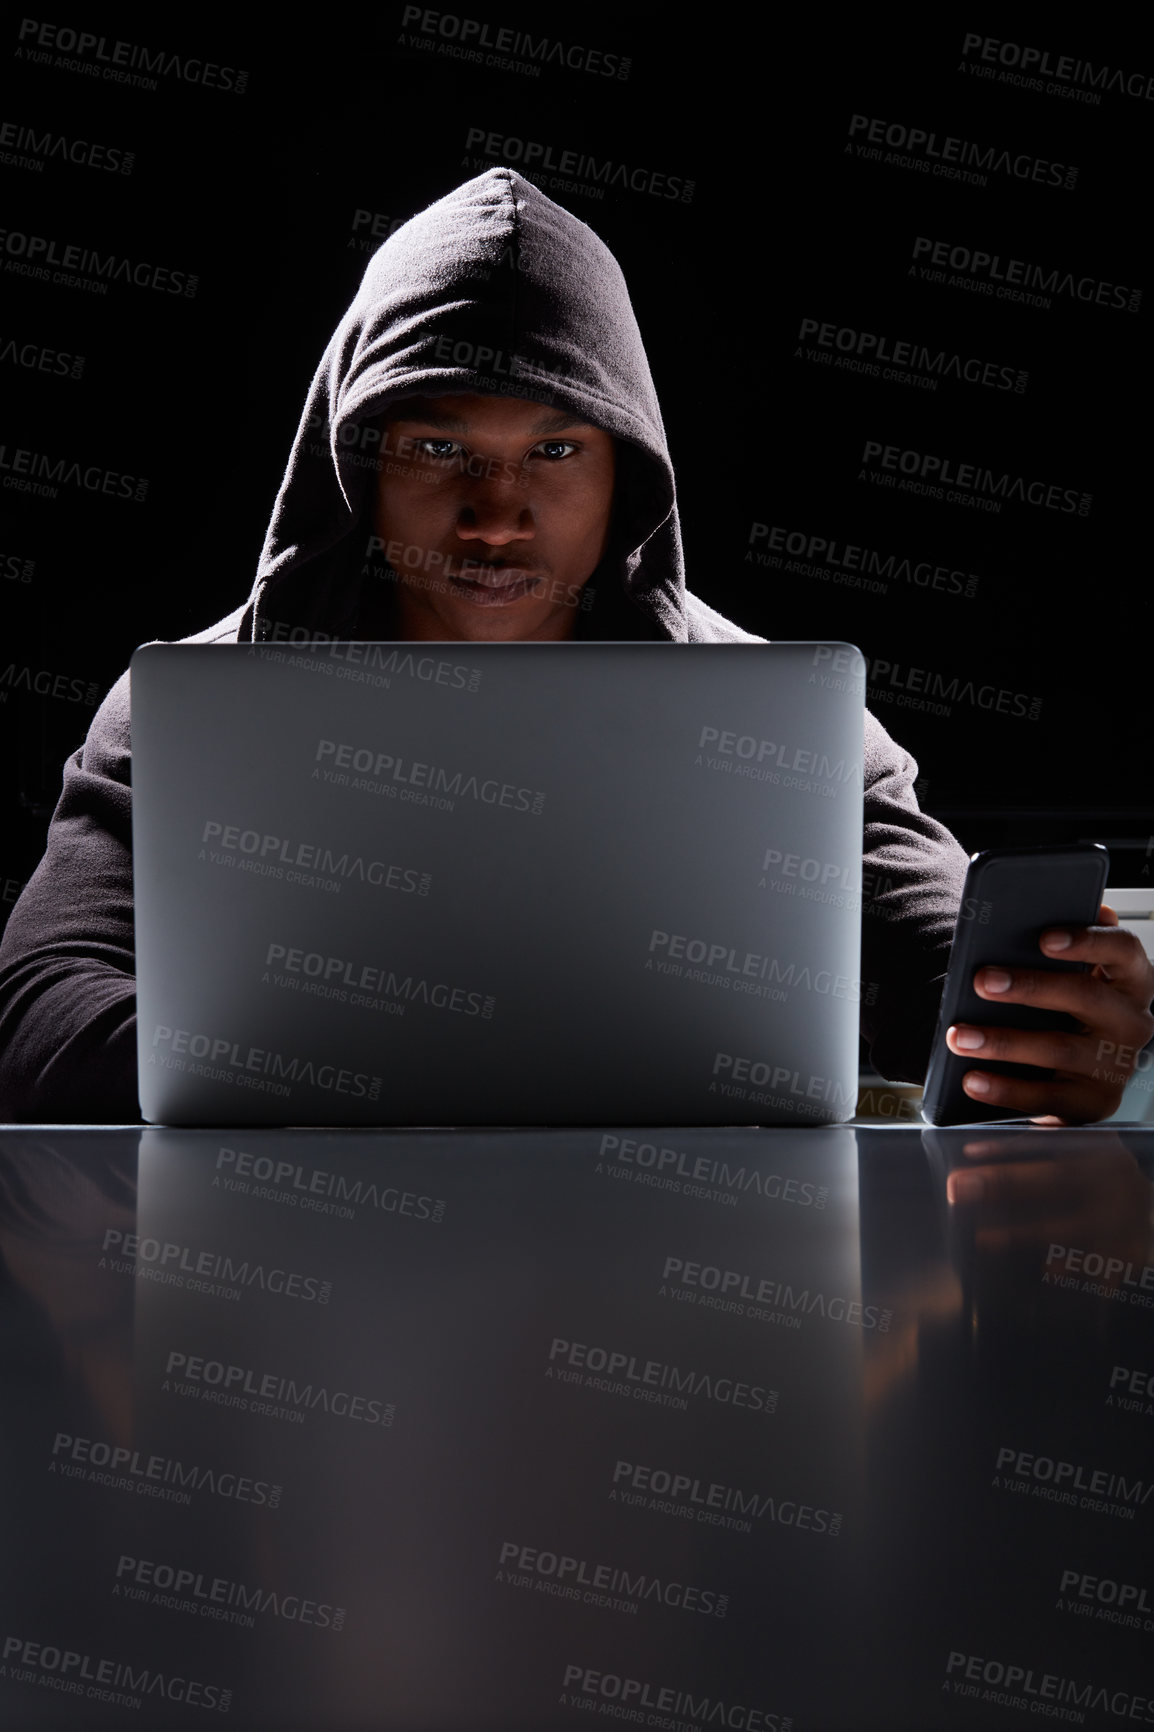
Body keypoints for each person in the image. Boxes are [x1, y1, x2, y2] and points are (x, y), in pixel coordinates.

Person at [0, 168, 1150, 1125]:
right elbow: (37, 1005)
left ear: (626, 478)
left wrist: (1055, 1025)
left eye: (553, 453)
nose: (495, 513)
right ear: (356, 469)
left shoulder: (772, 721)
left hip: (685, 1297)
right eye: (438, 449)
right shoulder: (193, 705)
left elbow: (945, 974)